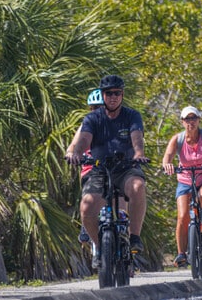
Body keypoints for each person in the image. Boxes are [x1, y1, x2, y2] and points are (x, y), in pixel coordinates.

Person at [65, 75, 148, 267]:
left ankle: (134, 236)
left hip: (126, 167)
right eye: (109, 93)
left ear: (122, 95)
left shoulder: (132, 115)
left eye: (117, 93)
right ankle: (99, 247)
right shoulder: (92, 118)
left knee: (138, 186)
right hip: (99, 169)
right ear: (103, 96)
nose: (113, 97)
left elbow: (137, 136)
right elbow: (84, 139)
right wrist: (76, 153)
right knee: (86, 207)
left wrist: (138, 153)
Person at [162, 106, 202, 268]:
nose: (191, 122)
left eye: (194, 118)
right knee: (183, 216)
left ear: (199, 120)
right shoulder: (178, 139)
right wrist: (167, 165)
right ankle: (181, 254)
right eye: (187, 119)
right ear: (182, 122)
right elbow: (167, 156)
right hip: (185, 179)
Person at [65, 88, 106, 244]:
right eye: (94, 108)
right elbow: (73, 146)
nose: (97, 111)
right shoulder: (86, 125)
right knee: (87, 198)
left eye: (100, 107)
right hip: (91, 170)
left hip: (111, 169)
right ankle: (86, 225)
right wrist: (71, 153)